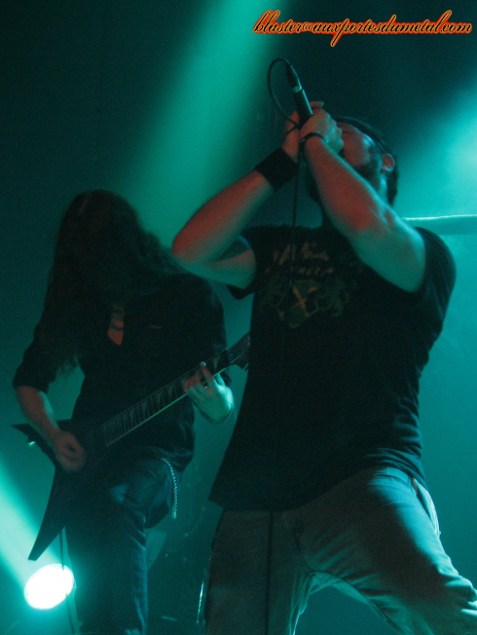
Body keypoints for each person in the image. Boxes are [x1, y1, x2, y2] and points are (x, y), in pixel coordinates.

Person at [172, 102, 477, 635]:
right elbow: (190, 250)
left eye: (346, 129)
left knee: (435, 604)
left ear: (385, 160)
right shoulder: (279, 246)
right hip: (257, 492)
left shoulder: (419, 250)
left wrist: (316, 143)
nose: (330, 129)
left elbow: (364, 224)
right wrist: (283, 159)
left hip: (363, 475)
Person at [13, 189, 234, 635]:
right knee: (92, 596)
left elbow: (221, 404)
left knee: (121, 505)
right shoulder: (80, 300)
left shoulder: (187, 295)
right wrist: (54, 434)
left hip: (158, 454)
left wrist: (215, 399)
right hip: (90, 454)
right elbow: (29, 381)